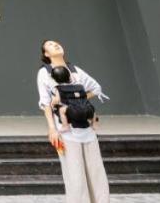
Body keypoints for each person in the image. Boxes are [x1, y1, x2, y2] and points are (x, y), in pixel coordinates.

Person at [37, 39, 109, 203]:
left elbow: (96, 88)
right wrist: (52, 129)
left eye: (56, 43)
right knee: (75, 174)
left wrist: (79, 99)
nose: (56, 45)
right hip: (66, 131)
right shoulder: (44, 73)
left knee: (96, 172)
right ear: (46, 54)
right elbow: (45, 103)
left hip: (87, 128)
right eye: (50, 45)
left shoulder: (75, 70)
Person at [50, 64, 98, 132]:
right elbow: (84, 96)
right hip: (88, 111)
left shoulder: (59, 88)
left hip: (74, 112)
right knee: (91, 107)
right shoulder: (80, 86)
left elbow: (57, 100)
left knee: (61, 110)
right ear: (69, 76)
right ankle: (94, 123)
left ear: (55, 79)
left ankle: (65, 126)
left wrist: (52, 104)